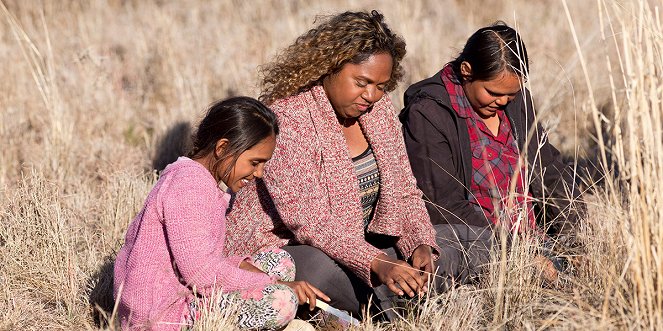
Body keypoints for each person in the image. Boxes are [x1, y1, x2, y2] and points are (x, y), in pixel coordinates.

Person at [224, 11, 439, 319]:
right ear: (329, 68)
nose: (371, 95)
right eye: (362, 82)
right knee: (318, 272)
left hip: (359, 244)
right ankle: (398, 307)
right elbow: (311, 223)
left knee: (455, 243)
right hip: (287, 250)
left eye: (381, 85)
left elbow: (405, 191)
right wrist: (377, 263)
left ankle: (399, 298)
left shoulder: (377, 110)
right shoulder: (289, 118)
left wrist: (420, 244)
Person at [113, 97, 329, 330]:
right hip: (162, 315)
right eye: (255, 162)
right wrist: (272, 285)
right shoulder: (188, 186)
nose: (259, 173)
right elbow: (201, 274)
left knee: (280, 261)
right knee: (281, 301)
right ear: (222, 148)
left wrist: (263, 277)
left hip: (185, 293)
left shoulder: (201, 181)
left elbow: (203, 262)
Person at [400, 22, 585, 288]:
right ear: (466, 72)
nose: (502, 102)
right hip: (474, 246)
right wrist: (516, 253)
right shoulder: (429, 114)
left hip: (535, 239)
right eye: (494, 93)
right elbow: (443, 206)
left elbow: (549, 168)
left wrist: (574, 240)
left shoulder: (517, 101)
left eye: (511, 95)